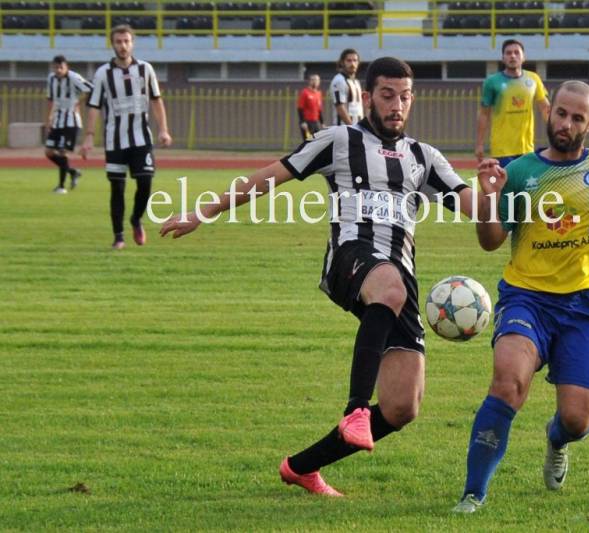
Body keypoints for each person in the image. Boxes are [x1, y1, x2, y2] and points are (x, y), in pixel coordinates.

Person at [160, 57, 490, 497]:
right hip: (351, 257)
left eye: (405, 97)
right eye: (387, 95)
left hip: (399, 278)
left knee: (402, 406)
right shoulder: (339, 140)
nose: (397, 105)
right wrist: (204, 211)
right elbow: (270, 176)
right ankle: (355, 410)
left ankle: (302, 467)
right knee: (388, 287)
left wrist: (493, 194)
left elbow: (476, 209)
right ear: (367, 97)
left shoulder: (423, 157)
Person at [453, 80, 589, 513]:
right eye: (561, 113)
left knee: (577, 420)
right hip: (526, 298)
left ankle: (557, 440)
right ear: (549, 112)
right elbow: (491, 242)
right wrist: (491, 199)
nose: (566, 124)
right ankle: (473, 494)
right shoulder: (520, 173)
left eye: (577, 118)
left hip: (585, 306)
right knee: (508, 383)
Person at [80, 24, 172, 250]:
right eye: (118, 42)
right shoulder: (103, 73)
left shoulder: (145, 69)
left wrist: (163, 129)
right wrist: (89, 136)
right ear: (112, 44)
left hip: (142, 139)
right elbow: (94, 106)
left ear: (133, 43)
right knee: (117, 189)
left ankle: (136, 219)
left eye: (126, 41)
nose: (123, 46)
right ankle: (118, 236)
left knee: (145, 183)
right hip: (115, 141)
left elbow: (156, 100)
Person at [475, 39, 550, 168]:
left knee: (526, 181)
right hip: (501, 149)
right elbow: (483, 114)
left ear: (523, 57)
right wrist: (479, 144)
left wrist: (555, 132)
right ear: (503, 58)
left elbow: (545, 108)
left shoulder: (534, 79)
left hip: (527, 148)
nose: (513, 56)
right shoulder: (492, 82)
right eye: (508, 53)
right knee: (504, 181)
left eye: (516, 52)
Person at [44, 55, 93, 193]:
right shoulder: (51, 78)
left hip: (71, 121)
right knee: (48, 152)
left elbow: (91, 89)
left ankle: (61, 186)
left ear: (66, 67)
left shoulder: (73, 77)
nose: (58, 70)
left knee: (62, 151)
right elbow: (50, 99)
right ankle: (72, 172)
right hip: (57, 120)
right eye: (56, 67)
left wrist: (79, 102)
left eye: (61, 67)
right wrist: (48, 119)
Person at [328, 48, 363, 126]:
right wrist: (352, 127)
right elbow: (340, 107)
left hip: (356, 126)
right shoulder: (339, 80)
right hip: (343, 128)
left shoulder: (356, 82)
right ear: (342, 62)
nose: (352, 64)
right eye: (349, 61)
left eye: (355, 60)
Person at [297, 73, 324, 141]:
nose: (315, 82)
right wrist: (302, 122)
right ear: (309, 81)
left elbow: (319, 110)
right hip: (307, 122)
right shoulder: (305, 92)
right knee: (308, 141)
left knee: (318, 141)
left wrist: (322, 123)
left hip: (316, 122)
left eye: (317, 80)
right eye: (313, 80)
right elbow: (300, 108)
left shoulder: (318, 93)